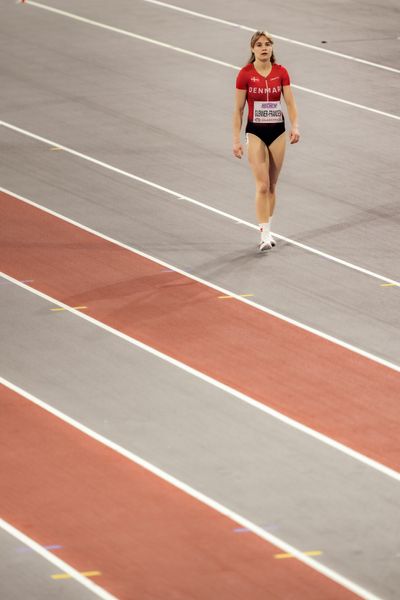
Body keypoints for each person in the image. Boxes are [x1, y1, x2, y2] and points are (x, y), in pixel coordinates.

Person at [232, 31, 300, 251]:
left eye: (268, 44)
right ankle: (264, 236)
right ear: (252, 49)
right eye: (259, 44)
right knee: (261, 186)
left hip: (278, 132)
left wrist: (295, 126)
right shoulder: (245, 74)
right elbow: (238, 110)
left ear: (272, 48)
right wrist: (236, 140)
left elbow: (290, 102)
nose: (264, 48)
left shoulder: (281, 72)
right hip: (255, 132)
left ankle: (268, 230)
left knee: (272, 185)